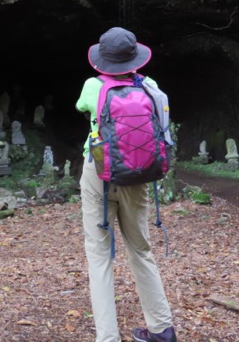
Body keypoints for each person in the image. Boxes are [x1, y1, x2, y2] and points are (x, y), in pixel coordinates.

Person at [75, 26, 177, 342]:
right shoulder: (151, 86)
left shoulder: (93, 86)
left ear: (103, 61)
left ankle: (108, 338)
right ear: (135, 59)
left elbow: (82, 108)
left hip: (99, 174)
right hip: (139, 175)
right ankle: (162, 329)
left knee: (100, 256)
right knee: (141, 249)